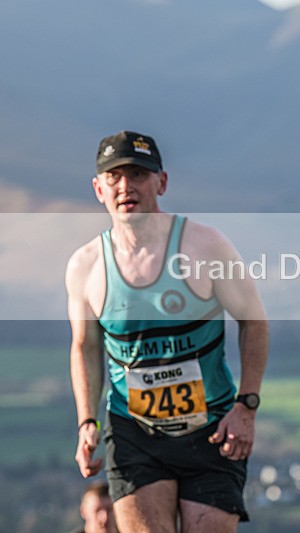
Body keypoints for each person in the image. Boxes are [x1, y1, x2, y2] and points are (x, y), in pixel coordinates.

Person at [67, 130, 268, 532]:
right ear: (98, 188)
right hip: (133, 434)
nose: (126, 186)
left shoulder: (206, 245)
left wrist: (245, 406)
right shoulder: (85, 265)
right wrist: (87, 421)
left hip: (212, 429)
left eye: (139, 175)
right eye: (114, 177)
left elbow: (254, 321)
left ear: (161, 182)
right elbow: (85, 346)